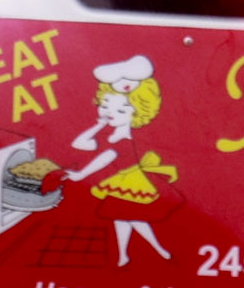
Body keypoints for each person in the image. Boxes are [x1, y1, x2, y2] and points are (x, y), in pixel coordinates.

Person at [61, 54, 180, 267]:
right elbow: (79, 143)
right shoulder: (111, 133)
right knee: (120, 217)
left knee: (135, 218)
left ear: (137, 113)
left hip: (131, 181)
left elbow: (105, 158)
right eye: (106, 105)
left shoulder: (122, 139)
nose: (110, 113)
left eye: (121, 109)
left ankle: (158, 249)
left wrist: (82, 175)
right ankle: (124, 255)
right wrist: (99, 124)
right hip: (122, 181)